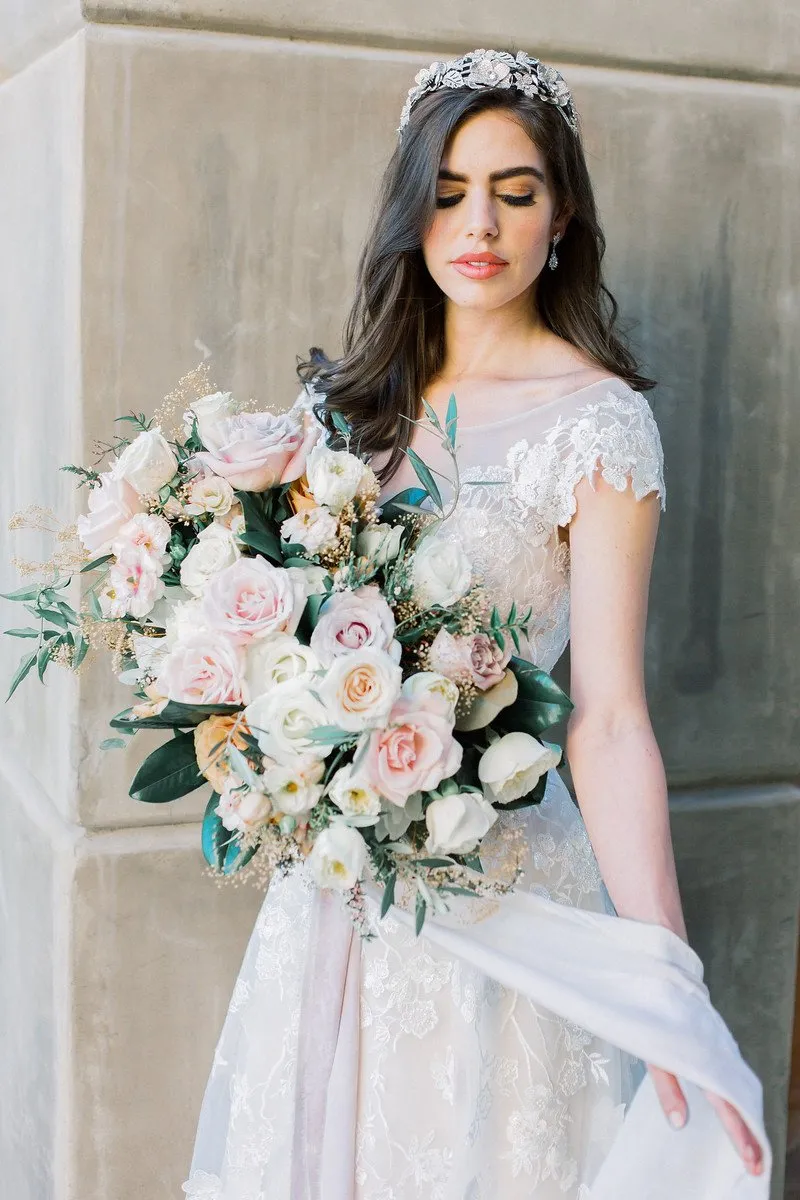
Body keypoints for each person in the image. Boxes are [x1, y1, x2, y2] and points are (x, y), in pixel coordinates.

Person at [182, 48, 769, 1199]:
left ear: (561, 215)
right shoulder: (340, 412)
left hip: (494, 890)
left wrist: (662, 976)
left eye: (515, 189)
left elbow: (604, 720)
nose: (478, 223)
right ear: (411, 210)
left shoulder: (597, 427)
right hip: (336, 882)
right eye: (448, 190)